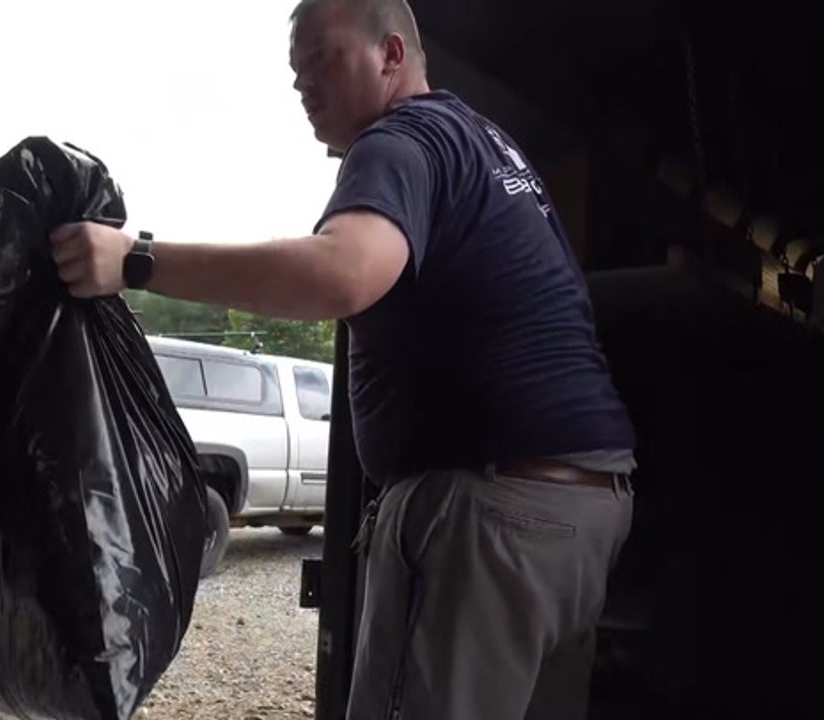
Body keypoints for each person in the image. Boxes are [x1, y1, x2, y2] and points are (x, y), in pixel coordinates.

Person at [49, 0, 636, 717]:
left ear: (391, 54)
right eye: (295, 72)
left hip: (488, 517)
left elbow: (344, 271)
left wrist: (136, 261)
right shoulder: (485, 146)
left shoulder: (399, 140)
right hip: (584, 508)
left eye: (321, 59)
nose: (303, 85)